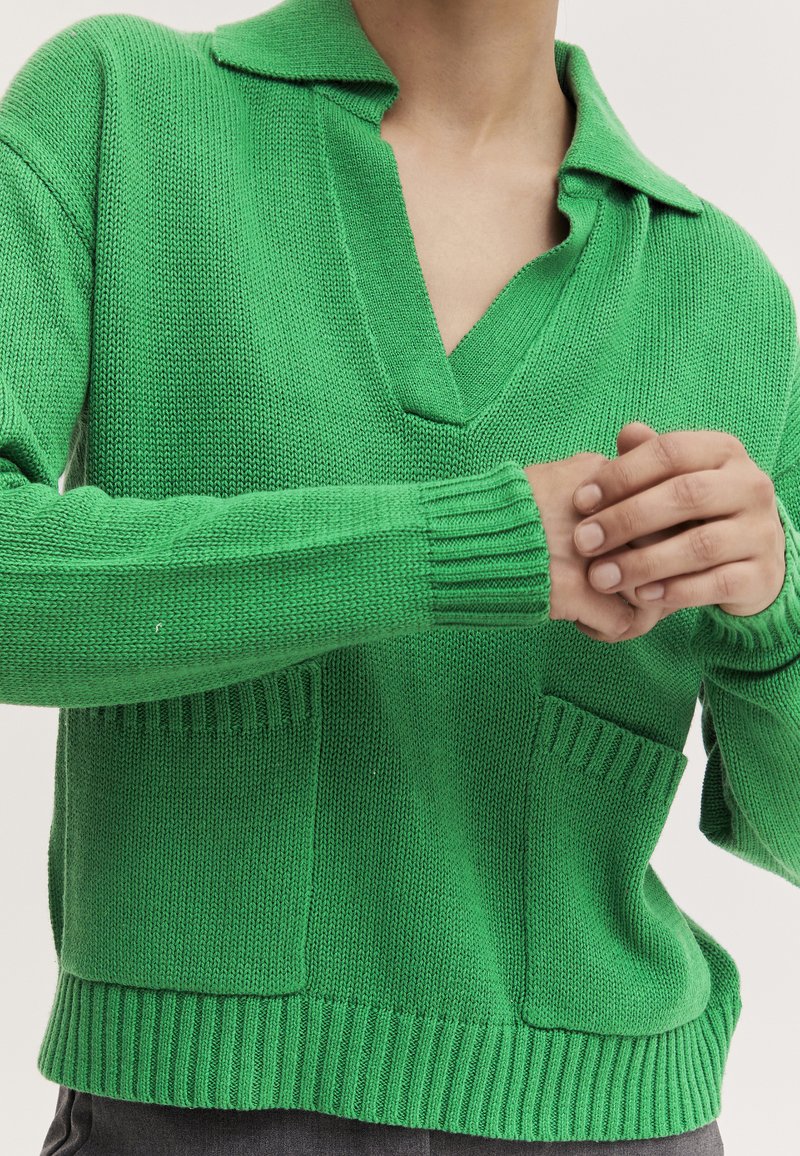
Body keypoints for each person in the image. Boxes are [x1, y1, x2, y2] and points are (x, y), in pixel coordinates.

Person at [0, 0, 794, 1152]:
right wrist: (470, 547)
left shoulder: (723, 292)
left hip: (615, 1117)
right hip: (197, 1110)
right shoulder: (122, 109)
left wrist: (771, 621)